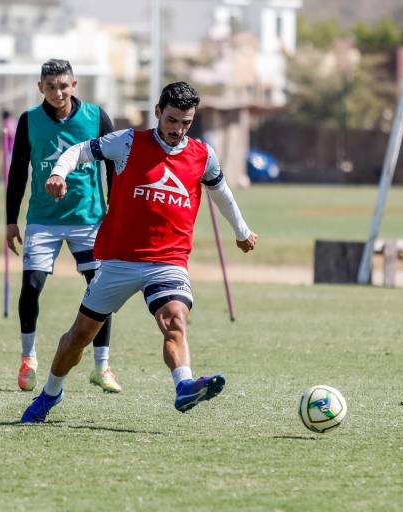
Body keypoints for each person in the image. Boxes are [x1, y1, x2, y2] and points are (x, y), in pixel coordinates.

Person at [20, 81, 257, 423]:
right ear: (158, 112)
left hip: (168, 261)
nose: (177, 130)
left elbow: (221, 193)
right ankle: (50, 393)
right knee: (79, 337)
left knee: (174, 319)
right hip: (119, 261)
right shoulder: (128, 142)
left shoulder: (202, 155)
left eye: (186, 123)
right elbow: (78, 151)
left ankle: (184, 385)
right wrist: (58, 173)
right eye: (171, 120)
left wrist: (242, 231)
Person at [5, 59, 121, 393]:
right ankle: (28, 358)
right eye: (51, 86)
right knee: (32, 286)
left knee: (100, 290)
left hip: (89, 219)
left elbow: (115, 166)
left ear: (74, 85)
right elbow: (18, 172)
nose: (58, 92)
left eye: (63, 86)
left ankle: (102, 365)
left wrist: (114, 209)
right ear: (40, 87)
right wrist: (10, 220)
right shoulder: (29, 121)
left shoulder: (96, 117)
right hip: (44, 220)